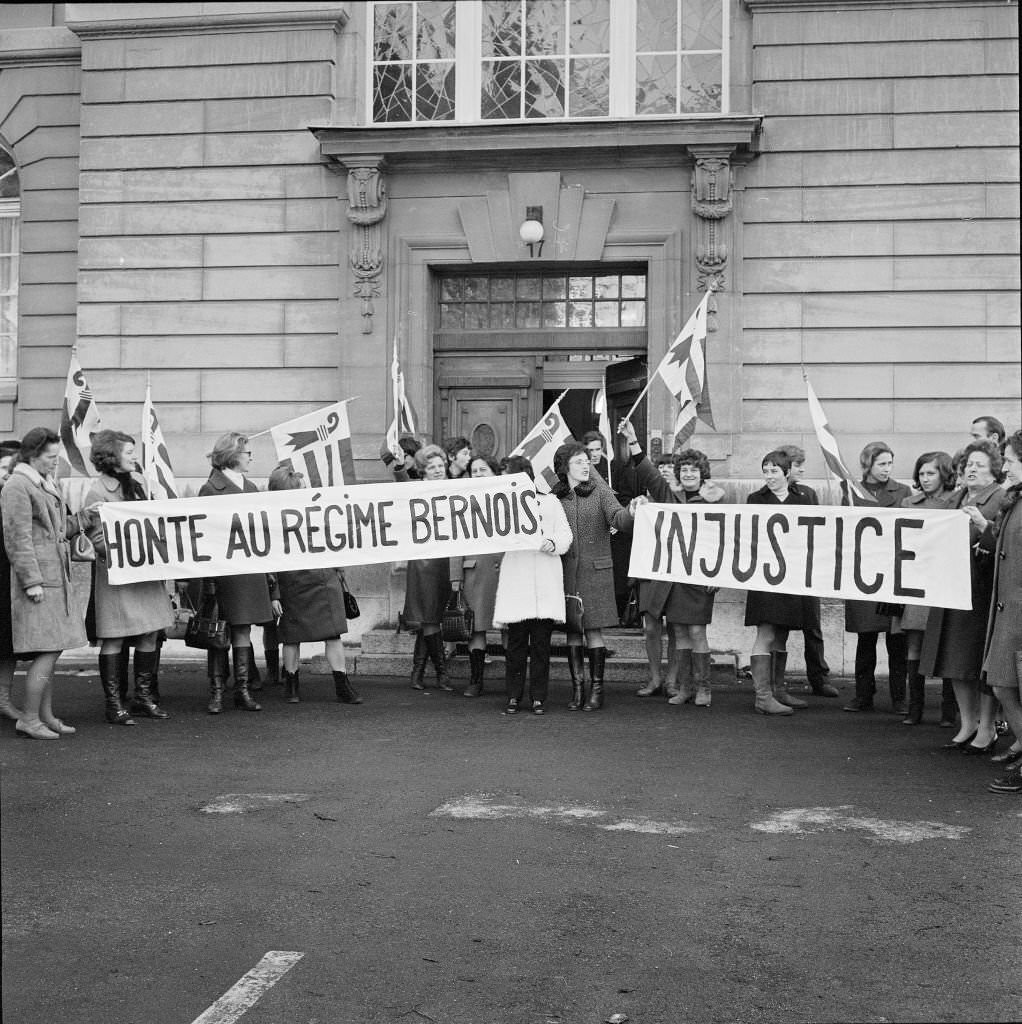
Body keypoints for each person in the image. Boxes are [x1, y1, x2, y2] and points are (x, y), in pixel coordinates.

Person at [621, 422, 724, 706]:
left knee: (697, 632)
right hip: (675, 575)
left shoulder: (715, 503)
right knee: (679, 631)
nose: (688, 474)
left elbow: (724, 542)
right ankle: (686, 688)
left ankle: (705, 688)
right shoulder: (671, 499)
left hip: (701, 577)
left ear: (703, 474)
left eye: (694, 470)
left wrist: (718, 574)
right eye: (684, 470)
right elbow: (651, 476)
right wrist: (633, 442)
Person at [0, 428, 90, 739]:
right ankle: (29, 718)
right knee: (48, 651)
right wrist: (32, 582)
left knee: (52, 649)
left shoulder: (40, 482)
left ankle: (45, 716)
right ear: (33, 455)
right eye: (51, 457)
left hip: (53, 580)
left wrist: (85, 519)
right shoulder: (18, 486)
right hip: (39, 583)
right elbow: (17, 538)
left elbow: (57, 529)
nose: (56, 462)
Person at [921, 439, 1007, 753]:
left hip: (981, 593)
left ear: (994, 471)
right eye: (969, 464)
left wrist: (984, 527)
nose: (971, 469)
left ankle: (987, 727)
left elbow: (1005, 540)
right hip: (952, 589)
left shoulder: (1000, 498)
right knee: (955, 661)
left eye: (979, 465)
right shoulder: (955, 498)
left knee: (979, 663)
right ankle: (967, 723)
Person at [85, 430, 174, 725]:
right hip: (118, 577)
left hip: (146, 576)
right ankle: (114, 703)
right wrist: (128, 551)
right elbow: (97, 539)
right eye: (129, 452)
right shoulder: (97, 492)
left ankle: (143, 698)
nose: (135, 457)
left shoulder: (141, 485)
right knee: (115, 637)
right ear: (111, 457)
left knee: (150, 632)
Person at [198, 432, 282, 714]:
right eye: (247, 452)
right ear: (232, 455)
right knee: (219, 634)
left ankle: (242, 689)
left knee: (243, 630)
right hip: (223, 573)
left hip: (249, 571)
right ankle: (217, 691)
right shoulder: (210, 489)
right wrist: (208, 580)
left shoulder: (251, 489)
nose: (250, 457)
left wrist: (272, 586)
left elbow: (264, 536)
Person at [267, 464, 360, 705]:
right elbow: (268, 558)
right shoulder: (271, 520)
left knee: (333, 634)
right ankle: (291, 685)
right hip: (292, 584)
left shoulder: (319, 511)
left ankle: (343, 685)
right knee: (291, 638)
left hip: (324, 580)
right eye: (300, 488)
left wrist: (339, 564)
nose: (306, 492)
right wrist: (274, 594)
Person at [552, 441, 633, 711]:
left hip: (596, 573)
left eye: (587, 461)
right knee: (573, 632)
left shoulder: (601, 492)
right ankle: (577, 691)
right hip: (565, 574)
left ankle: (597, 692)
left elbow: (619, 519)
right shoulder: (555, 497)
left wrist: (631, 512)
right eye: (578, 461)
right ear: (565, 467)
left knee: (593, 631)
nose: (586, 465)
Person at [492, 455, 572, 714]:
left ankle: (539, 697)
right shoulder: (502, 506)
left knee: (540, 645)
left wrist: (552, 543)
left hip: (544, 580)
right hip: (518, 580)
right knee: (515, 643)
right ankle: (513, 695)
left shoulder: (549, 502)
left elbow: (565, 535)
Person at [744, 450, 818, 716]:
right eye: (765, 471)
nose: (769, 476)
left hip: (793, 576)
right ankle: (763, 697)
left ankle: (778, 689)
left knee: (782, 634)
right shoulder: (756, 499)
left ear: (787, 472)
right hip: (765, 575)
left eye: (774, 471)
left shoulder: (806, 497)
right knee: (765, 632)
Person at [842, 442, 912, 713]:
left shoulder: (903, 491)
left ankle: (899, 697)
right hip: (863, 573)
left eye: (889, 463)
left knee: (897, 641)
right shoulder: (850, 493)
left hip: (893, 573)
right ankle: (863, 695)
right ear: (868, 464)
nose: (887, 469)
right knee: (866, 637)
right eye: (882, 463)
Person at [895, 452, 957, 725]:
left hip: (944, 582)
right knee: (914, 645)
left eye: (931, 473)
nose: (925, 478)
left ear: (944, 473)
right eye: (921, 473)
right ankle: (914, 708)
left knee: (947, 645)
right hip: (917, 581)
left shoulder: (955, 502)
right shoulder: (909, 502)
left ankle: (947, 711)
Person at [777, 444, 838, 698]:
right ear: (787, 469)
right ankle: (774, 680)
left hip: (805, 569)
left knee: (812, 626)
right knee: (778, 628)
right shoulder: (769, 495)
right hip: (780, 571)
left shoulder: (808, 494)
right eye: (798, 465)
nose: (803, 469)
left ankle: (818, 677)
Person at [980, 429, 1022, 792]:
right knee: (1003, 687)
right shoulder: (1016, 499)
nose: (1005, 465)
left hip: (1019, 615)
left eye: (1010, 459)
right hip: (1009, 614)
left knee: (1006, 687)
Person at [451, 455, 504, 698]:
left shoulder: (508, 499)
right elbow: (455, 542)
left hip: (505, 573)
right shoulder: (463, 502)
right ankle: (475, 680)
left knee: (509, 628)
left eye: (484, 469)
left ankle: (513, 681)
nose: (479, 474)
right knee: (476, 629)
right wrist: (455, 579)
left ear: (495, 473)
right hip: (474, 575)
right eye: (474, 470)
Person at [402, 444, 454, 691]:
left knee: (430, 618)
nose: (437, 470)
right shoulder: (415, 489)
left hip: (446, 561)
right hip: (423, 561)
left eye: (440, 466)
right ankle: (440, 674)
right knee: (429, 617)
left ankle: (418, 672)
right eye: (431, 467)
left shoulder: (456, 489)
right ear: (422, 471)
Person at [0, 438, 25, 722]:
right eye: (7, 467)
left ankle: (3, 699)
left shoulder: (16, 495)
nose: (10, 473)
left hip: (10, 580)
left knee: (8, 644)